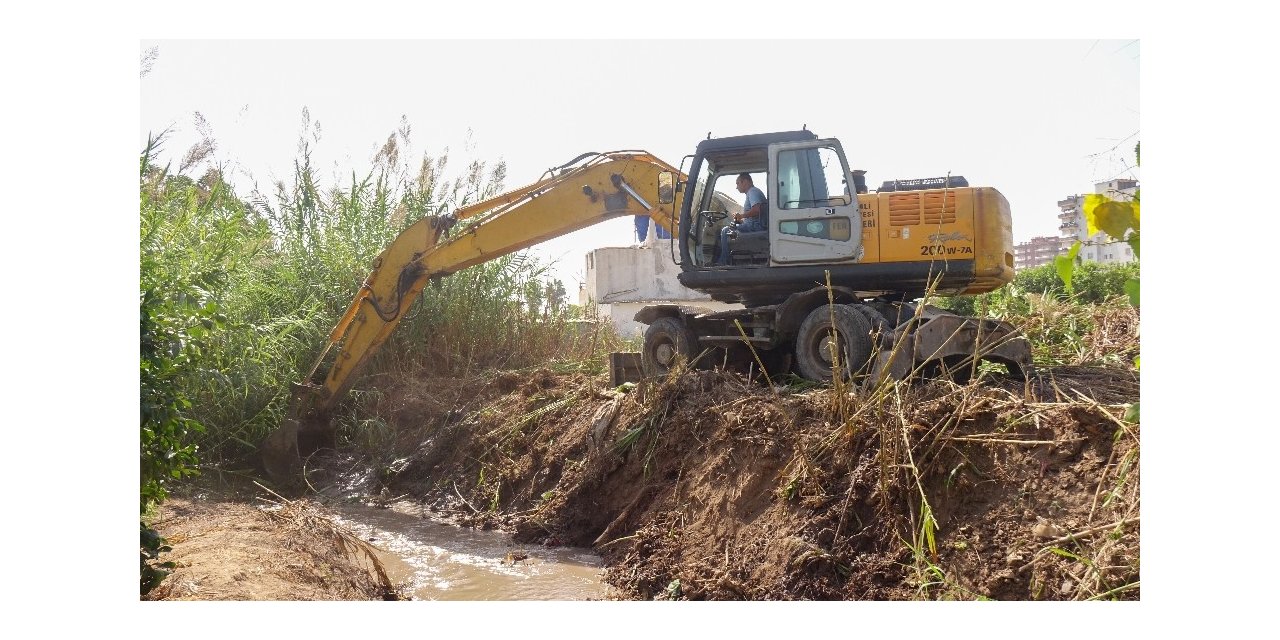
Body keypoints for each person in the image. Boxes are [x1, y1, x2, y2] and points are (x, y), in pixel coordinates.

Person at [717, 173, 767, 265]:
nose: (737, 187)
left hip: (755, 228)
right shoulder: (752, 192)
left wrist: (741, 216)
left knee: (725, 231)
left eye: (738, 183)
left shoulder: (752, 191)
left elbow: (756, 210)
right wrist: (741, 220)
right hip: (753, 225)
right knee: (730, 227)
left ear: (745, 182)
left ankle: (724, 262)